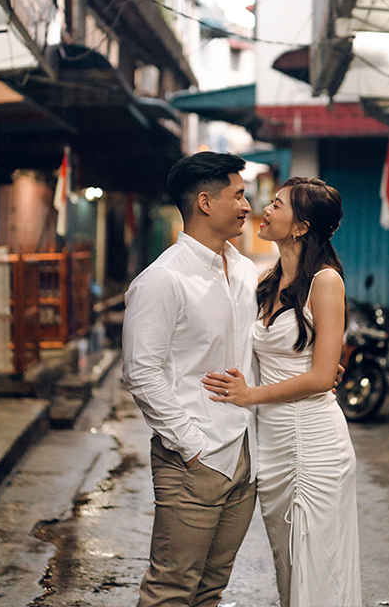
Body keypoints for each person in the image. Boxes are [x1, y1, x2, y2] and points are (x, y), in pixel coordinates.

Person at [202, 178, 361, 607]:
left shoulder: (325, 282)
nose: (264, 210)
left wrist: (249, 395)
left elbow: (320, 376)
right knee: (287, 567)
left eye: (277, 204)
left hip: (314, 443)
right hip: (270, 444)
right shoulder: (268, 280)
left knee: (317, 564)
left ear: (300, 227)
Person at [122, 151, 259, 607]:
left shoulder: (242, 270)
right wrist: (191, 445)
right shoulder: (162, 280)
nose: (247, 204)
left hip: (243, 455)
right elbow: (141, 373)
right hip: (193, 461)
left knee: (210, 592)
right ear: (205, 202)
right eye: (238, 194)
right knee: (170, 592)